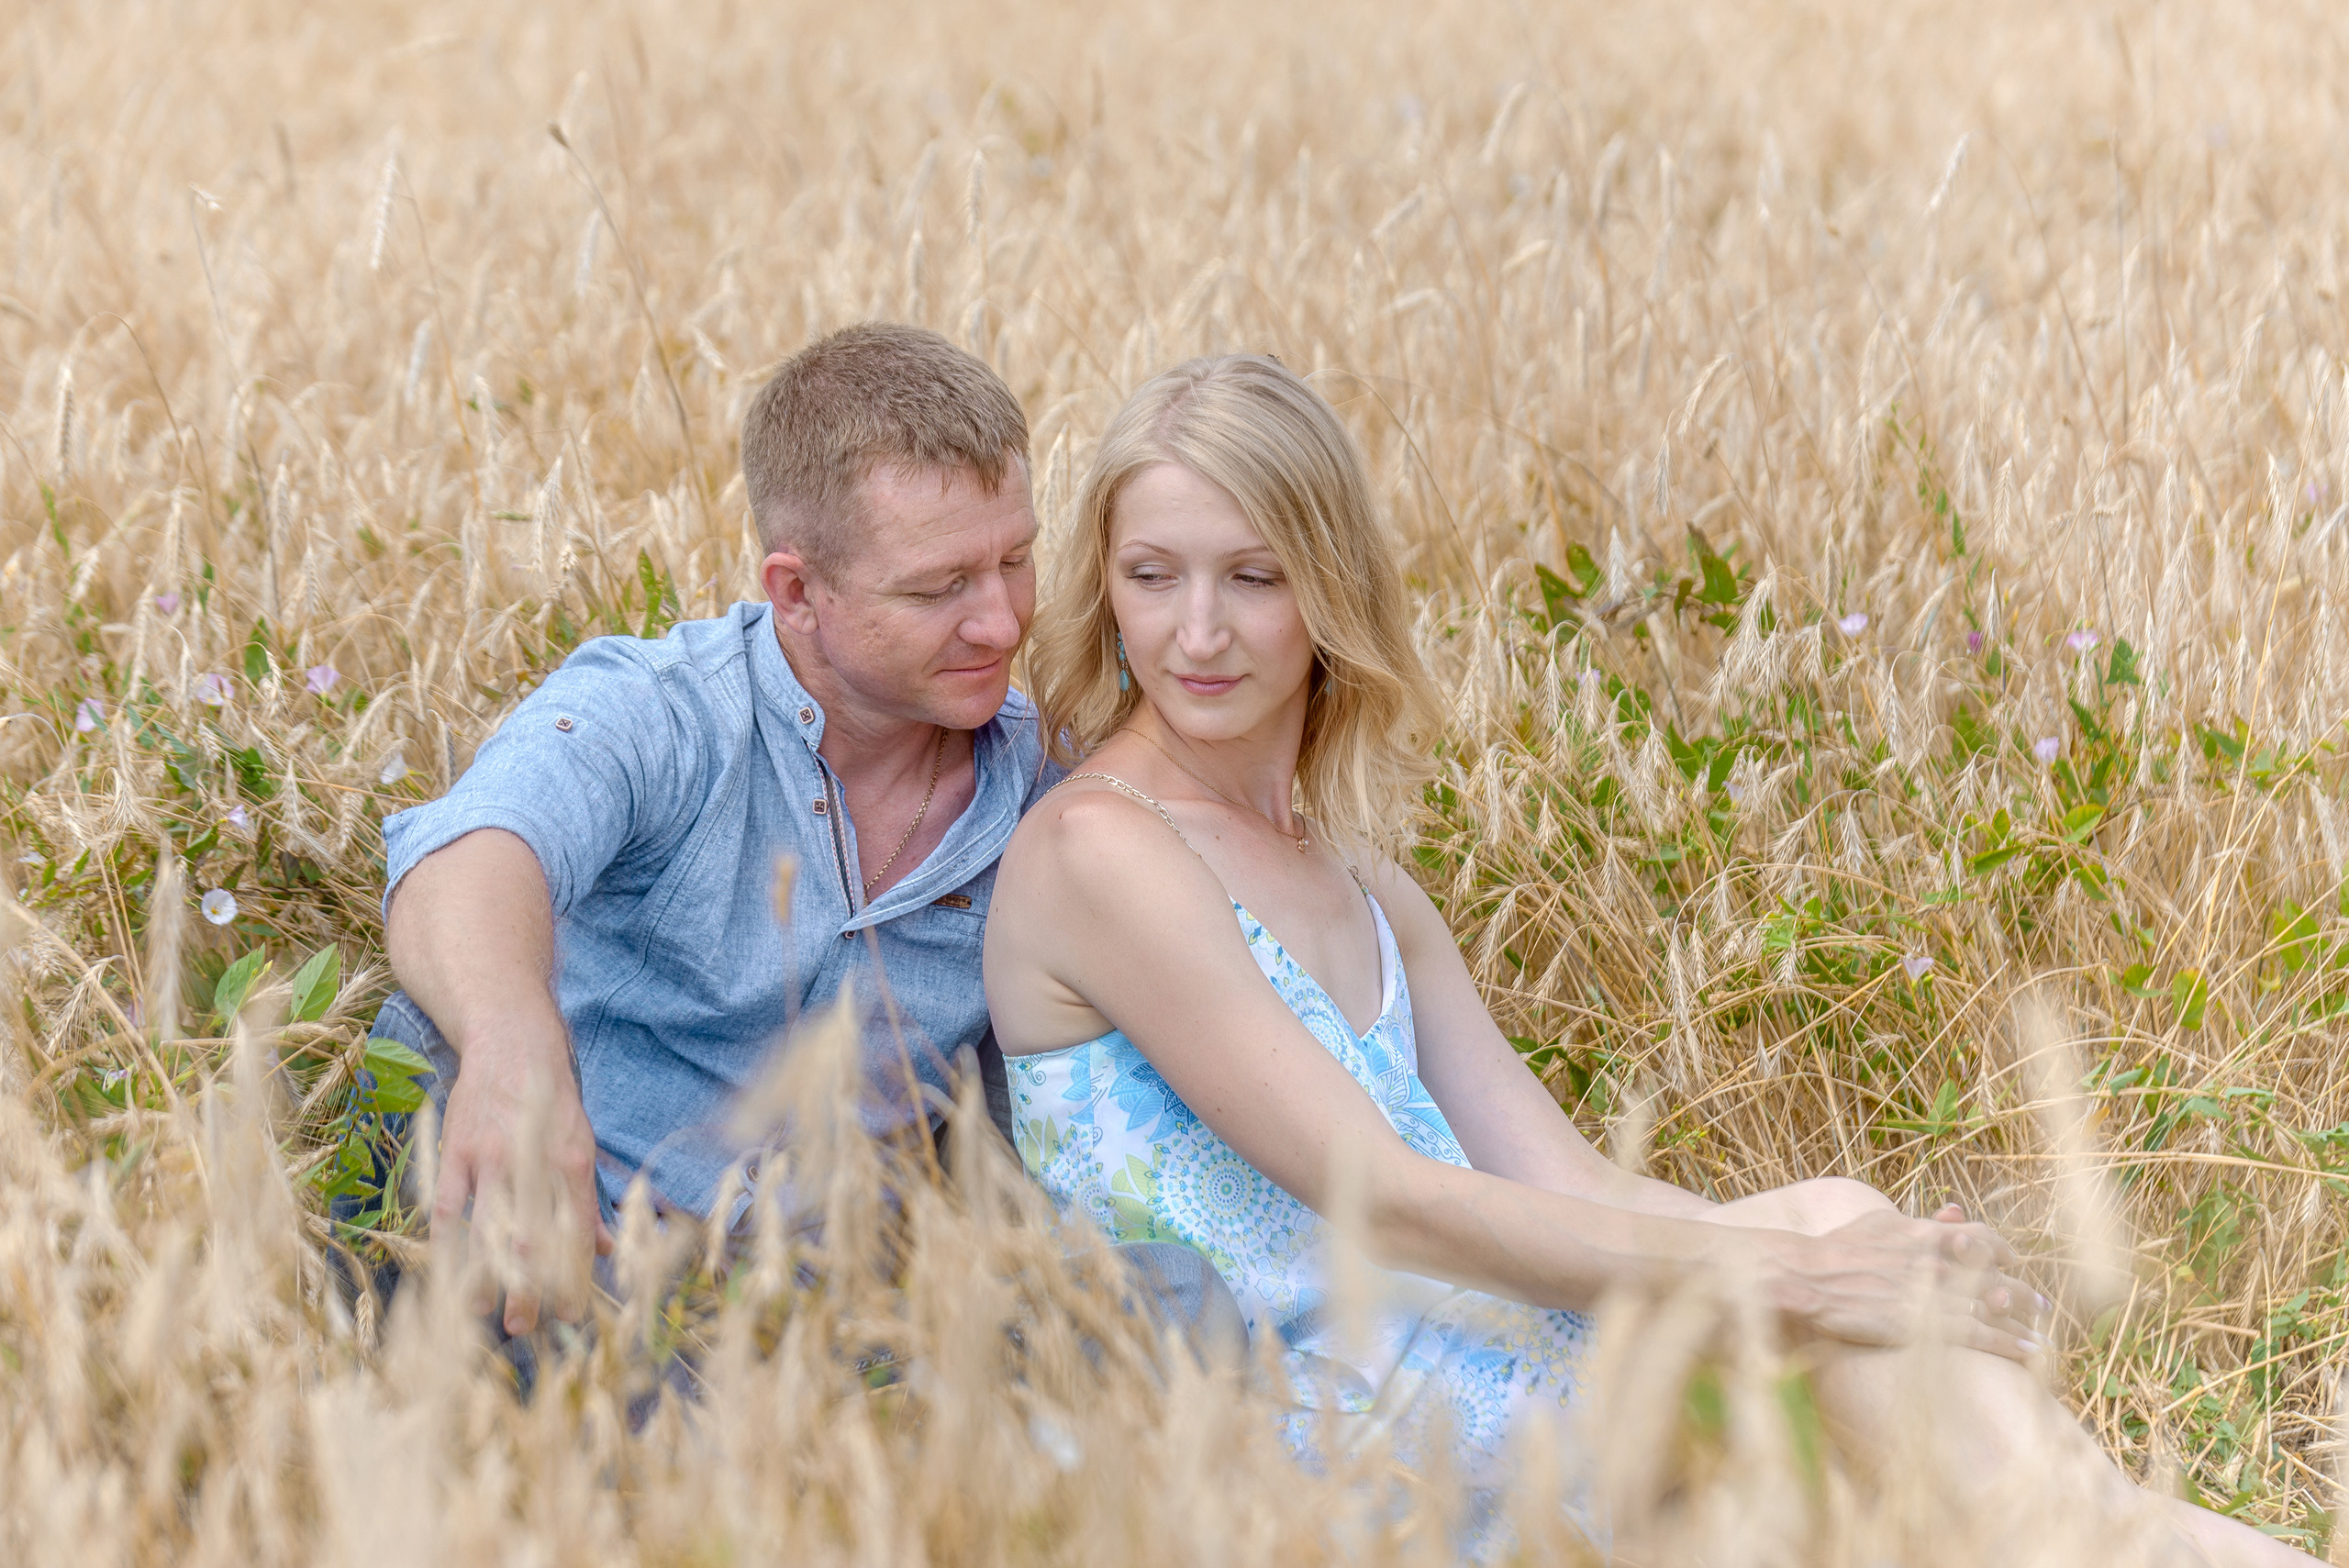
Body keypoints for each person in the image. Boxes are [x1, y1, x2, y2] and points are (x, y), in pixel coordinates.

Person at [981, 353, 2314, 1562]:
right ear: (1106, 585)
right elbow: (1386, 1198)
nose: (1195, 632)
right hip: (1314, 1425)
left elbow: (1570, 1177)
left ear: (1330, 588)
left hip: (1473, 1358)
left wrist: (1875, 1252)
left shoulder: (1363, 883)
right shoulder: (1105, 850)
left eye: (1252, 576)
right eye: (1153, 575)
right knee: (1838, 1305)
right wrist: (1796, 1273)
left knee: (1862, 1275)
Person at [375, 322, 1237, 1355]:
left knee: (1179, 1304)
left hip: (844, 1317)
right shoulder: (666, 711)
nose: (1003, 622)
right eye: (936, 588)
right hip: (578, 1265)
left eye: (1016, 558)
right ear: (796, 592)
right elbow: (466, 856)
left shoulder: (1047, 785)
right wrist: (514, 1051)